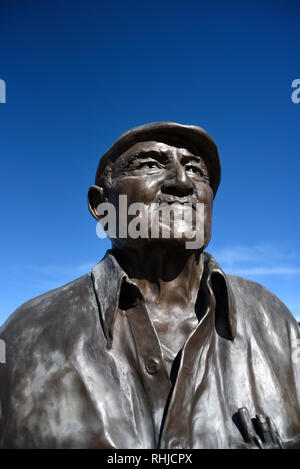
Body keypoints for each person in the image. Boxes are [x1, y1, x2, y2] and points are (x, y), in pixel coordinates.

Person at [0, 122, 300, 449]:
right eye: (150, 165)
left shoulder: (276, 323)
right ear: (102, 207)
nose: (182, 182)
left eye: (196, 170)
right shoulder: (23, 339)